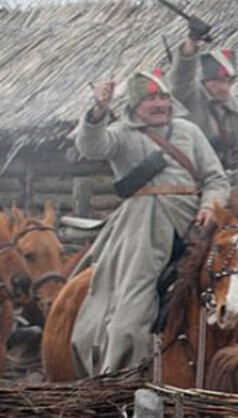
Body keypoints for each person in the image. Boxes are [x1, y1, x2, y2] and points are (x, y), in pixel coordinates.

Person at [71, 68, 228, 376]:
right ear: (134, 105)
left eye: (163, 97)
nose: (159, 104)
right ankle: (119, 372)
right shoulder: (122, 134)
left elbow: (216, 178)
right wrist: (98, 111)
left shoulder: (189, 131)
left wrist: (211, 205)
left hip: (194, 226)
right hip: (143, 231)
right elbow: (91, 147)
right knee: (132, 310)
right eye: (150, 98)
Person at [172, 36, 238, 186]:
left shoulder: (237, 113)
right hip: (186, 181)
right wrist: (191, 44)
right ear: (206, 81)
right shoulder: (188, 96)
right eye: (218, 81)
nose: (225, 87)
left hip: (225, 181)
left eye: (229, 81)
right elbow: (182, 76)